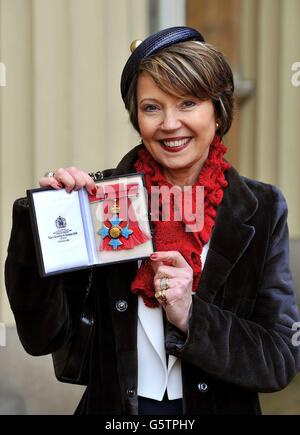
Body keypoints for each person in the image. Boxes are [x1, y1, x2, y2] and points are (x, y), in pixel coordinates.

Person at [5, 26, 300, 415]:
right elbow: (42, 335)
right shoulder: (100, 200)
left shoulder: (261, 208)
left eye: (189, 103)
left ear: (218, 111)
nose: (170, 123)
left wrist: (192, 315)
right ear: (136, 117)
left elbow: (279, 360)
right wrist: (45, 222)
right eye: (151, 107)